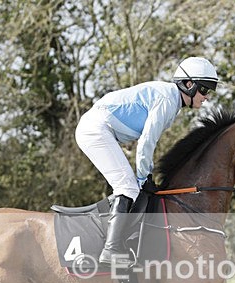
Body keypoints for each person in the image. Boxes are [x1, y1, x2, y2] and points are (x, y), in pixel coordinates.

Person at [75, 56, 219, 267]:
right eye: (204, 90)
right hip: (96, 130)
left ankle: (121, 243)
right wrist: (144, 176)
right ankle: (111, 250)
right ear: (189, 85)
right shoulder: (168, 100)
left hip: (101, 129)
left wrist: (144, 175)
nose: (206, 97)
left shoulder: (172, 100)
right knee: (129, 188)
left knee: (130, 187)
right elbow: (146, 143)